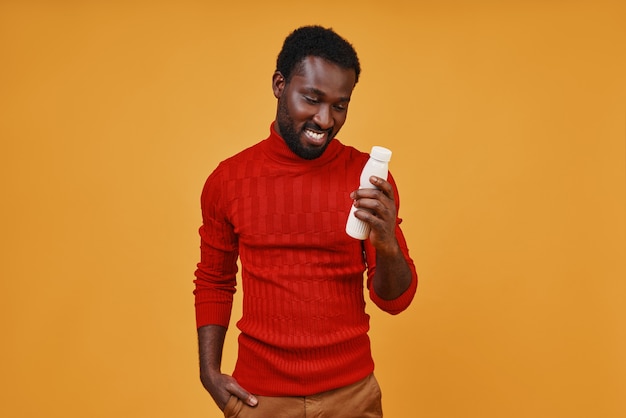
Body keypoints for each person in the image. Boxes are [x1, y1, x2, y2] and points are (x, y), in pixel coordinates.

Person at [194, 25, 418, 417]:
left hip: (352, 395)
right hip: (260, 398)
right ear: (280, 84)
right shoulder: (227, 181)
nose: (325, 119)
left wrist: (388, 243)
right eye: (312, 99)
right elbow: (214, 279)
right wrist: (209, 372)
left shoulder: (367, 177)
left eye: (339, 105)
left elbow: (394, 300)